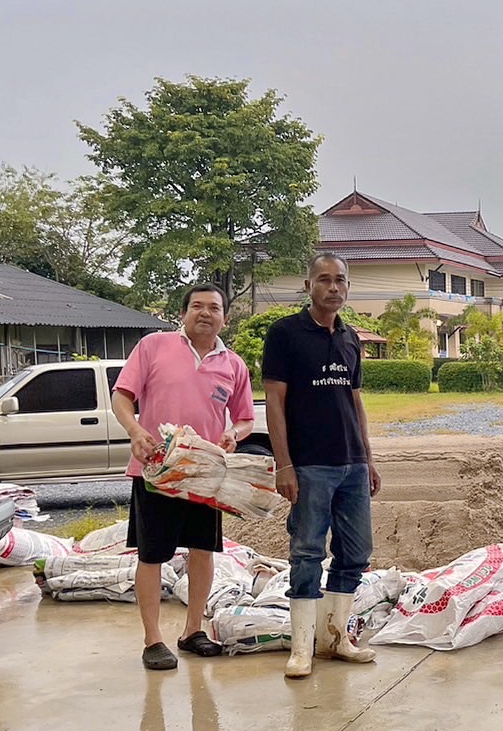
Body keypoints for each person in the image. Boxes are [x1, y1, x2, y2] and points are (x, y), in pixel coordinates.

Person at [112, 283, 256, 671]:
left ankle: (193, 630)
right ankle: (152, 639)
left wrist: (233, 434)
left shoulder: (234, 365)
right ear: (183, 313)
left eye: (214, 307)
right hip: (157, 470)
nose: (205, 313)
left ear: (225, 317)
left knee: (202, 550)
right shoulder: (153, 346)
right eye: (197, 306)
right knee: (152, 553)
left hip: (204, 475)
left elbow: (245, 419)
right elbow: (122, 396)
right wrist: (135, 431)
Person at [262, 252, 379, 678]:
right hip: (310, 465)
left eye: (341, 281)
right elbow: (275, 400)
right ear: (309, 285)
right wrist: (284, 464)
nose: (334, 287)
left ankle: (335, 638)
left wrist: (368, 457)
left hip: (351, 464)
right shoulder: (285, 334)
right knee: (307, 552)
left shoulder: (350, 338)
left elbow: (354, 400)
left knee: (356, 552)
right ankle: (301, 649)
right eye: (325, 279)